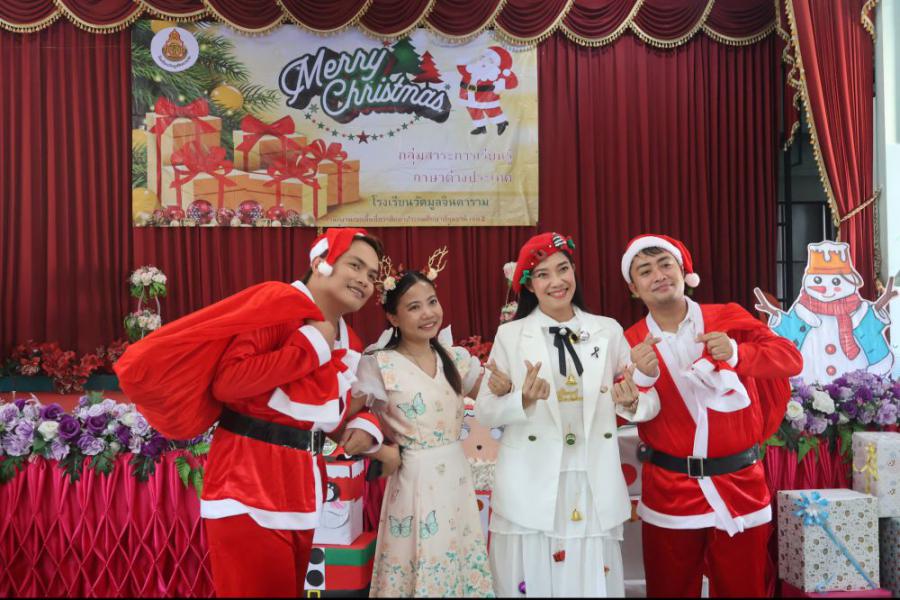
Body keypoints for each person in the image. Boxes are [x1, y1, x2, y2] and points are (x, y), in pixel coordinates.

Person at [115, 228, 386, 597]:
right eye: (355, 265)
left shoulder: (348, 340)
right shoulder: (277, 307)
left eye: (372, 275)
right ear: (320, 262)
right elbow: (229, 384)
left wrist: (365, 426)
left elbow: (327, 416)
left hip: (302, 494)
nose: (364, 280)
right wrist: (309, 347)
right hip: (245, 488)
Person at [476, 232, 660, 597]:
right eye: (542, 274)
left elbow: (648, 400)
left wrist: (630, 400)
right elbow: (484, 411)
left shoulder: (607, 330)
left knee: (589, 579)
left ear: (574, 271)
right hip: (531, 481)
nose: (557, 281)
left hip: (592, 480)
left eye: (563, 269)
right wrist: (522, 399)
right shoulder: (511, 335)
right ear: (530, 285)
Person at [619, 233, 803, 597]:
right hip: (670, 492)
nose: (658, 275)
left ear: (683, 272)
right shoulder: (629, 342)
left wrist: (737, 353)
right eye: (645, 270)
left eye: (665, 265)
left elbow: (791, 359)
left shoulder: (727, 317)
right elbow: (617, 410)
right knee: (669, 591)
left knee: (744, 591)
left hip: (740, 485)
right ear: (633, 288)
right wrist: (638, 380)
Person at [351, 249, 495, 597]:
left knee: (458, 559)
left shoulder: (455, 358)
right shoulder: (378, 364)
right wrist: (380, 451)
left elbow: (496, 398)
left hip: (456, 477)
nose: (428, 313)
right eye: (414, 307)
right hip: (413, 479)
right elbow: (345, 420)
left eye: (432, 302)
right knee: (418, 563)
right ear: (393, 317)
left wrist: (516, 389)